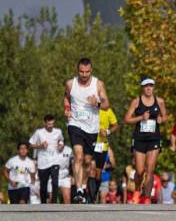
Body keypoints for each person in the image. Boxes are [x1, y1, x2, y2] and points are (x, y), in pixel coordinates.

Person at [63, 57, 111, 203]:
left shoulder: (98, 84)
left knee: (87, 161)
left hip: (92, 127)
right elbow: (66, 97)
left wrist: (96, 103)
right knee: (78, 156)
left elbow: (106, 104)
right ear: (78, 70)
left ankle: (82, 187)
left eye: (87, 72)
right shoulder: (71, 84)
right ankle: (78, 190)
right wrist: (67, 108)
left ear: (91, 71)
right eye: (81, 72)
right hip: (75, 124)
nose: (84, 75)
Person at [124, 77, 169, 204]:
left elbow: (165, 117)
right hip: (139, 139)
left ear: (154, 87)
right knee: (139, 171)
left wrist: (161, 119)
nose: (149, 88)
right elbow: (127, 119)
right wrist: (141, 117)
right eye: (146, 86)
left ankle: (148, 199)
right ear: (142, 88)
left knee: (150, 169)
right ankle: (138, 190)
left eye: (151, 86)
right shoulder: (136, 102)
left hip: (154, 138)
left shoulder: (159, 101)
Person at [29, 115, 63, 203]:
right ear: (44, 123)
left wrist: (60, 145)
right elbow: (31, 144)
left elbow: (61, 140)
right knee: (43, 185)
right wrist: (40, 145)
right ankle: (43, 203)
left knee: (55, 182)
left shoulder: (58, 131)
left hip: (55, 160)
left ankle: (54, 202)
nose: (51, 126)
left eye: (52, 124)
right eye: (49, 124)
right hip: (43, 162)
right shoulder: (39, 132)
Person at [92, 107, 118, 203]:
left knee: (102, 196)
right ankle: (91, 198)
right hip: (90, 142)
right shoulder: (89, 109)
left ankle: (100, 212)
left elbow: (114, 165)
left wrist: (107, 165)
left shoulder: (107, 110)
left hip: (105, 177)